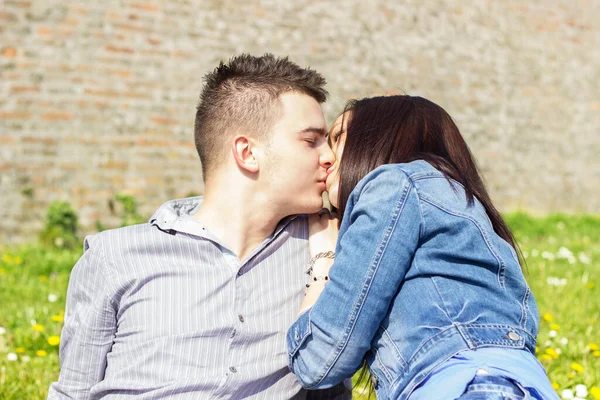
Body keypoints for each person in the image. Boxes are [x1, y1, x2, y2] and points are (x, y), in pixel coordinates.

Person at [48, 54, 351, 399]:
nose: (329, 156)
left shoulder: (322, 251)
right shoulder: (115, 256)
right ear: (247, 152)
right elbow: (73, 392)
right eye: (311, 140)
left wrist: (328, 257)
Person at [287, 95, 559, 399]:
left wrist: (324, 261)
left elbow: (317, 361)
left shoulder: (393, 184)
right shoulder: (462, 211)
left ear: (379, 137)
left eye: (337, 138)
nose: (326, 157)